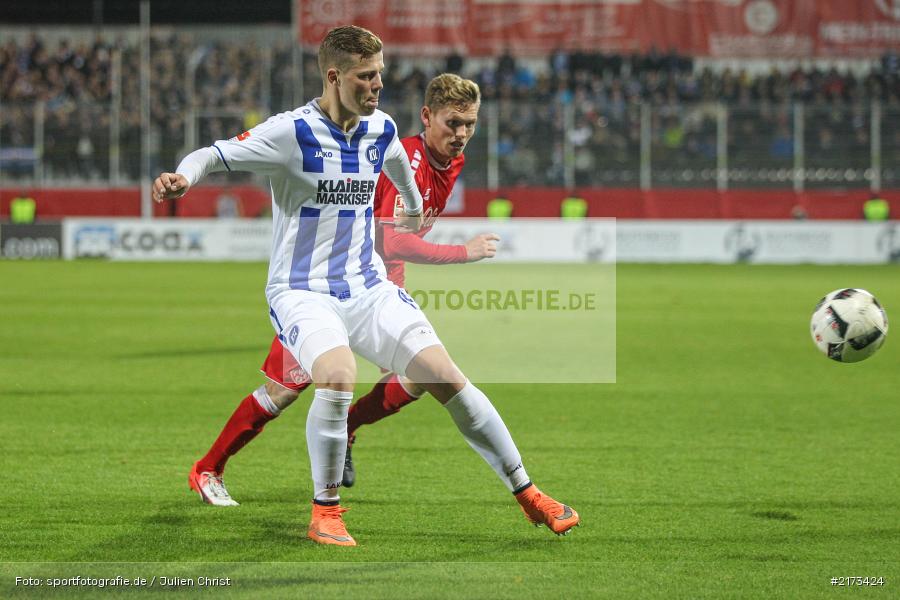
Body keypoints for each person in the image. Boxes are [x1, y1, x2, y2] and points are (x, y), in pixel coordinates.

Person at [155, 26, 578, 547]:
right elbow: (214, 155)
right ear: (334, 77)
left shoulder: (380, 128)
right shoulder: (292, 133)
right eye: (366, 76)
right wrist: (182, 176)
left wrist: (413, 202)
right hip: (302, 290)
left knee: (444, 375)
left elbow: (396, 159)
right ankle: (324, 511)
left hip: (367, 286)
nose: (379, 84)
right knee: (335, 375)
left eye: (380, 73)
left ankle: (528, 493)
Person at [189, 73, 502, 501]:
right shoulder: (404, 155)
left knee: (422, 378)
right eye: (453, 123)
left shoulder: (448, 160)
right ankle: (209, 468)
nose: (462, 133)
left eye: (470, 124)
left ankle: (348, 428)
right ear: (427, 117)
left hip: (377, 283)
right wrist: (462, 253)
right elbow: (389, 238)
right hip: (333, 281)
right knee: (282, 392)